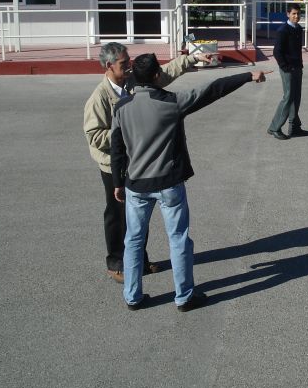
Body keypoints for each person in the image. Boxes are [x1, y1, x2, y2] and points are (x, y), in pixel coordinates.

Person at [111, 53, 270, 311]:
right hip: (168, 184)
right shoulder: (172, 102)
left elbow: (117, 149)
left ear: (134, 77)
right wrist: (248, 76)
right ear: (156, 75)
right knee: (178, 239)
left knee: (134, 240)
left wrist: (118, 182)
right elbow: (212, 90)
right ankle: (184, 297)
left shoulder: (121, 108)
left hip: (136, 186)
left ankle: (132, 296)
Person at [83, 42, 213, 284]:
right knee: (117, 215)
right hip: (113, 166)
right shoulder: (99, 97)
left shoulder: (133, 82)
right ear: (109, 65)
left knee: (137, 218)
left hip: (135, 161)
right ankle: (116, 263)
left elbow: (166, 72)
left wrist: (192, 59)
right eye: (124, 63)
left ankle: (139, 261)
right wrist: (125, 131)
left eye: (129, 62)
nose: (129, 66)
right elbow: (94, 136)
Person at [267, 3, 308, 140]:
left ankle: (294, 127)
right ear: (288, 14)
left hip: (297, 68)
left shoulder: (298, 29)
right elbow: (277, 52)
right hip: (288, 69)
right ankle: (274, 128)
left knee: (296, 97)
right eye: (293, 14)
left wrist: (299, 65)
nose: (296, 16)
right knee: (288, 97)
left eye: (298, 13)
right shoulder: (283, 30)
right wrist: (285, 67)